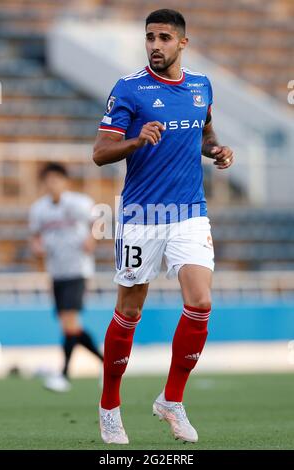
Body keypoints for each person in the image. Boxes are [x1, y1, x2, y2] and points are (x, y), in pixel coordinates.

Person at [93, 8, 233, 444]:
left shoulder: (200, 87)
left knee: (201, 302)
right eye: (150, 37)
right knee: (129, 311)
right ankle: (110, 406)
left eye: (164, 38)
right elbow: (100, 152)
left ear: (182, 44)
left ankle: (171, 400)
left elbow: (204, 133)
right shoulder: (129, 89)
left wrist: (216, 150)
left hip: (189, 212)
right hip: (141, 216)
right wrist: (136, 140)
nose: (155, 45)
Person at [29, 162, 103, 392]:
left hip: (77, 269)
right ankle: (108, 365)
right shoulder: (39, 209)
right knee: (69, 326)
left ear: (64, 180)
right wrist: (37, 247)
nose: (52, 184)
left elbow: (99, 220)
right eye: (48, 180)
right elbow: (35, 236)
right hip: (56, 271)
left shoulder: (79, 203)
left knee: (69, 321)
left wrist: (92, 238)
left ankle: (63, 375)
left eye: (56, 179)